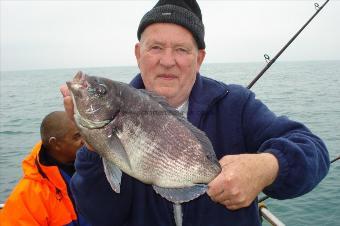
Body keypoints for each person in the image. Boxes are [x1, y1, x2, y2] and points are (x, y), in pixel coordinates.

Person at [60, 0, 330, 225]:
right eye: (155, 47)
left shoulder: (236, 104)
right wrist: (94, 148)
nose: (168, 61)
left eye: (181, 49)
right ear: (138, 53)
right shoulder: (111, 118)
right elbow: (99, 216)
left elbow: (314, 151)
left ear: (199, 58)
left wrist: (268, 167)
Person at [0, 111, 90, 226]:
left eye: (84, 133)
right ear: (56, 144)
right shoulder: (29, 195)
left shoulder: (95, 168)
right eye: (77, 136)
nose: (85, 140)